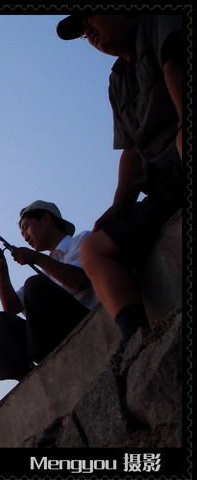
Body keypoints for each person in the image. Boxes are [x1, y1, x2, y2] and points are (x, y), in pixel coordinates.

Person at [57, 15, 184, 352]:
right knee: (93, 249)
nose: (90, 35)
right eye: (85, 35)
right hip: (162, 183)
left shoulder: (158, 23)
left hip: (181, 153)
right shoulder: (116, 82)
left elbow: (176, 68)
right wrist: (118, 206)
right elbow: (131, 148)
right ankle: (136, 340)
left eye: (90, 21)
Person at [0, 201, 98, 381]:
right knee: (0, 322)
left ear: (46, 219)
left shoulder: (82, 241)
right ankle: (29, 380)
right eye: (22, 233)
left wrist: (36, 258)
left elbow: (79, 281)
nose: (25, 236)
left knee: (34, 286)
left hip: (87, 321)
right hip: (53, 335)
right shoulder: (46, 271)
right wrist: (1, 270)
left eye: (27, 227)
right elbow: (11, 308)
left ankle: (47, 358)